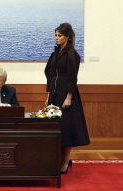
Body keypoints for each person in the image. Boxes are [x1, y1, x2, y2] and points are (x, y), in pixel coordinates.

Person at [44, 23, 90, 174]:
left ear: (67, 37)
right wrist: (48, 94)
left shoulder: (72, 54)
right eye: (56, 35)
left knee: (67, 129)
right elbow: (50, 74)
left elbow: (72, 77)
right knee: (55, 128)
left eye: (60, 36)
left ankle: (65, 162)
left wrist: (69, 97)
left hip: (66, 95)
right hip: (55, 95)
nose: (56, 38)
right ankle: (56, 160)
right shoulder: (56, 52)